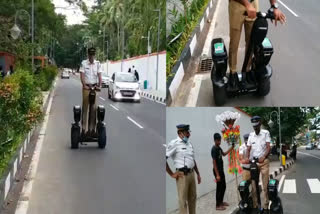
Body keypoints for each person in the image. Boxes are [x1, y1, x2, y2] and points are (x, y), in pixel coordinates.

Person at [228, 0, 286, 91]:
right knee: (234, 42)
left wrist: (274, 7)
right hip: (236, 5)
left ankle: (247, 70)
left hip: (253, 6)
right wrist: (246, 4)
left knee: (252, 42)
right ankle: (233, 71)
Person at [166, 124, 202, 214]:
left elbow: (192, 160)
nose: (189, 135)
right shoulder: (174, 144)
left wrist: (198, 174)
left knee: (193, 198)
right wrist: (172, 174)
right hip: (182, 175)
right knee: (182, 201)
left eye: (189, 132)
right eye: (187, 133)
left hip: (191, 174)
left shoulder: (189, 144)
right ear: (180, 133)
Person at [246, 116, 271, 214]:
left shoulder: (266, 133)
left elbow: (268, 147)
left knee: (265, 186)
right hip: (254, 163)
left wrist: (264, 157)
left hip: (264, 163)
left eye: (256, 126)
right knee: (254, 186)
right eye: (254, 126)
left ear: (260, 124)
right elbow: (248, 148)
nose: (255, 128)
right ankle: (256, 206)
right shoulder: (251, 135)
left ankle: (265, 206)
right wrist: (248, 157)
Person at [79, 47, 102, 136]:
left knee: (94, 109)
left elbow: (100, 76)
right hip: (87, 88)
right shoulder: (84, 63)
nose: (91, 57)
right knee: (85, 108)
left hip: (94, 87)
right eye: (90, 55)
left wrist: (99, 85)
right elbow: (82, 75)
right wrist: (84, 85)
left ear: (94, 55)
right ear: (88, 55)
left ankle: (92, 129)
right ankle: (84, 129)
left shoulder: (98, 64)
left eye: (93, 55)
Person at [211, 133, 234, 211]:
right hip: (217, 171)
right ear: (214, 140)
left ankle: (221, 202)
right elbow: (214, 162)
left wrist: (231, 148)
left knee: (223, 186)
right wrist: (217, 175)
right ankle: (217, 205)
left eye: (220, 140)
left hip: (221, 170)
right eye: (218, 140)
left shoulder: (219, 148)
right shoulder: (214, 149)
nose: (219, 141)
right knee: (219, 187)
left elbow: (223, 154)